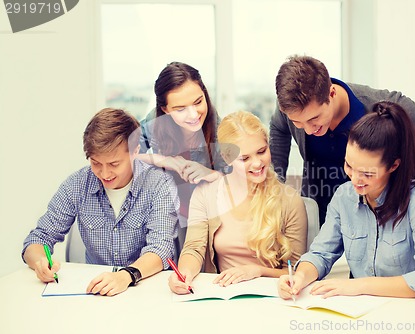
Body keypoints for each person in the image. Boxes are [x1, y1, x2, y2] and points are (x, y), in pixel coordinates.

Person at [271, 55, 415, 225]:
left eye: (315, 119)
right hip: (323, 217)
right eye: (299, 123)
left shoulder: (381, 106)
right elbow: (279, 127)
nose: (308, 130)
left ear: (331, 94)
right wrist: (277, 186)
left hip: (381, 221)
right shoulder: (292, 110)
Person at [278, 101, 415, 301]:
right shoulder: (344, 196)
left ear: (393, 165)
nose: (355, 179)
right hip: (360, 312)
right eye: (349, 166)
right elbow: (320, 254)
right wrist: (299, 276)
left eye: (367, 173)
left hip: (406, 310)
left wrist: (360, 286)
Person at [22, 108, 179, 296]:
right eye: (96, 163)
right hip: (97, 292)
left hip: (147, 288)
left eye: (114, 164)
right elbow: (38, 238)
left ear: (135, 151)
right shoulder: (77, 184)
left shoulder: (159, 184)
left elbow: (161, 248)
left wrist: (126, 276)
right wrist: (40, 260)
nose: (105, 174)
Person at [169, 111, 308, 294]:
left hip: (273, 297)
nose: (257, 163)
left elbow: (295, 271)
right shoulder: (206, 195)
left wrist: (257, 272)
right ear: (227, 158)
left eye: (262, 151)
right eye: (245, 158)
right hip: (224, 295)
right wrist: (184, 273)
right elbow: (194, 248)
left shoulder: (289, 201)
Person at [138, 62, 227, 250]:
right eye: (180, 109)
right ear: (165, 110)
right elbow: (126, 157)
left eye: (198, 102)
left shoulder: (220, 129)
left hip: (209, 220)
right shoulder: (153, 123)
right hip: (166, 219)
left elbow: (240, 180)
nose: (194, 114)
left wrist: (212, 174)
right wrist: (166, 161)